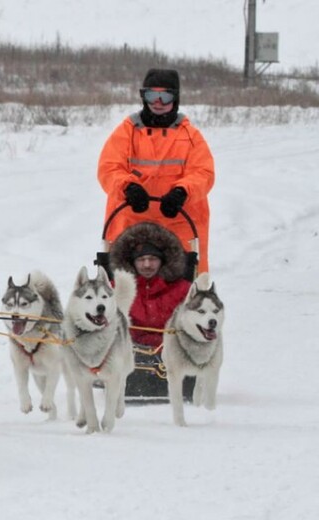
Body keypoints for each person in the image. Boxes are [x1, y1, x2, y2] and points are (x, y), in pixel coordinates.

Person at [98, 68, 215, 273]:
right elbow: (109, 168)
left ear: (175, 98)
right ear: (144, 97)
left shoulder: (190, 136)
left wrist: (182, 192)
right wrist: (128, 187)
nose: (158, 102)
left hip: (179, 221)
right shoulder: (127, 131)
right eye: (152, 95)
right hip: (132, 221)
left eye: (165, 96)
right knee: (128, 290)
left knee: (182, 289)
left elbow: (203, 173)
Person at [110, 221, 193, 398]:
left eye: (153, 259)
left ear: (162, 261)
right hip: (128, 355)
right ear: (132, 262)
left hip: (172, 355)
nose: (147, 265)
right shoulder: (115, 288)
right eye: (141, 259)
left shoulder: (184, 289)